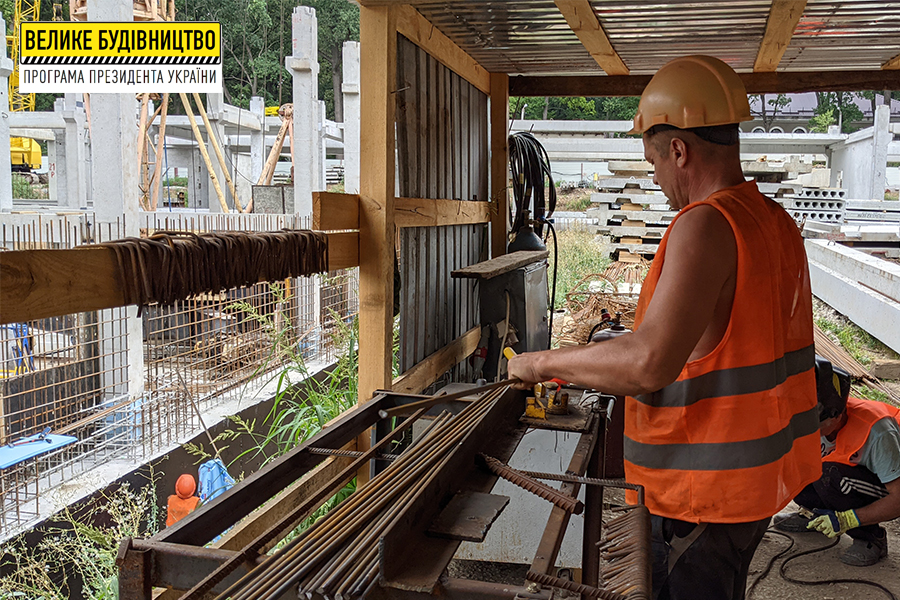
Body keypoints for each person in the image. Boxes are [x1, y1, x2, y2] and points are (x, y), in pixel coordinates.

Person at [507, 55, 822, 600]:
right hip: (757, 478)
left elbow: (649, 361)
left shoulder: (705, 224)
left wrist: (539, 362)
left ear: (679, 149)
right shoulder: (772, 221)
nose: (654, 178)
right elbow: (724, 335)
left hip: (701, 490)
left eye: (653, 163)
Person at [775, 356, 900, 566]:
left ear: (836, 415)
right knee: (796, 459)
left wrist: (849, 519)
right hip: (849, 477)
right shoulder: (813, 417)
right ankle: (815, 516)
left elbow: (898, 499)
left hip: (889, 485)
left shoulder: (878, 432)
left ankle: (870, 538)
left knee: (828, 473)